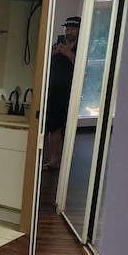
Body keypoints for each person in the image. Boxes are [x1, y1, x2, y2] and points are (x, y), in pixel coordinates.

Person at [44, 16, 80, 170]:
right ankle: (54, 159)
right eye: (67, 28)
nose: (68, 31)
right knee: (53, 126)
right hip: (54, 90)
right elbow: (45, 64)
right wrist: (51, 55)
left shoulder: (81, 48)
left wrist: (69, 54)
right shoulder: (58, 44)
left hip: (70, 92)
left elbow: (82, 67)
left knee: (66, 126)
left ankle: (65, 159)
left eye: (72, 29)